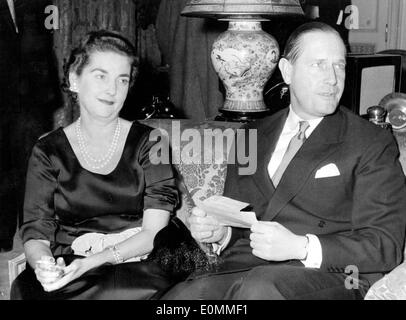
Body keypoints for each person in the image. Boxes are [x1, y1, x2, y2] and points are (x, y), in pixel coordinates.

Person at [162, 22, 406, 300]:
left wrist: (300, 247)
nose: (332, 78)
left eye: (339, 66)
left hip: (338, 276)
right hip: (247, 269)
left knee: (260, 290)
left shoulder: (370, 142)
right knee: (183, 296)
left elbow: (384, 244)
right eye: (318, 65)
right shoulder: (251, 135)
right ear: (287, 71)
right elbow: (243, 222)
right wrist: (222, 233)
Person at [10, 30, 179, 300]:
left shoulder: (152, 142)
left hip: (139, 260)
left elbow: (154, 233)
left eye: (122, 80)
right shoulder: (47, 150)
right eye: (100, 76)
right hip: (73, 260)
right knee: (27, 288)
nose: (112, 89)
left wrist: (91, 262)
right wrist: (45, 266)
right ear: (74, 80)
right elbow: (36, 232)